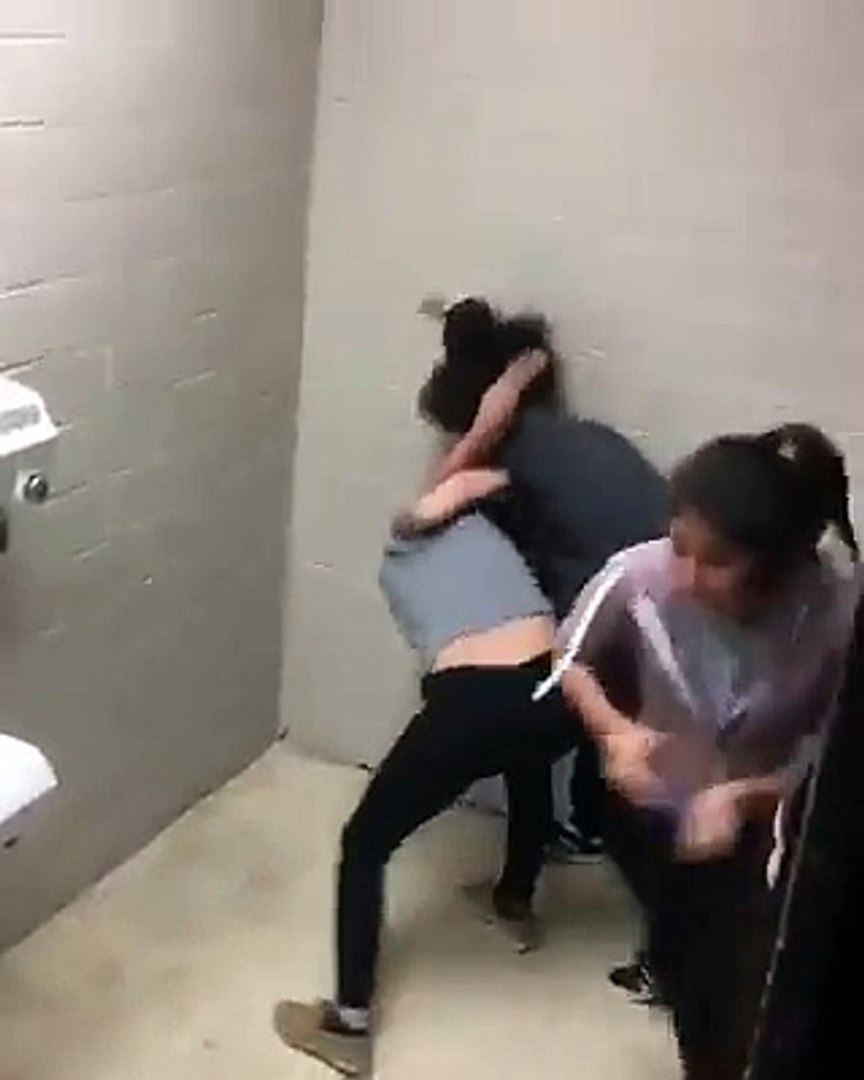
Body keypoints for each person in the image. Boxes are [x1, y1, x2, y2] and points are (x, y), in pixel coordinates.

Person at [273, 342, 587, 1077]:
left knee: (364, 843)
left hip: (481, 696)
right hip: (558, 691)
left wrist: (510, 385)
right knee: (527, 760)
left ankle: (348, 1024)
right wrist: (519, 389)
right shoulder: (505, 548)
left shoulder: (419, 525)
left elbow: (476, 446)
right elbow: (488, 462)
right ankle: (513, 903)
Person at [535, 422, 860, 1079]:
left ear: (777, 566)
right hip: (649, 808)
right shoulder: (639, 574)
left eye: (714, 561)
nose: (683, 575)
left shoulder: (835, 614)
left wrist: (747, 797)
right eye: (680, 544)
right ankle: (665, 966)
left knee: (727, 999)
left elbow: (838, 754)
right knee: (677, 936)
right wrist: (616, 734)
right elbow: (567, 658)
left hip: (760, 829)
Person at [418, 297, 670, 862]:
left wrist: (482, 432)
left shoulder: (509, 468)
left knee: (535, 686)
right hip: (670, 603)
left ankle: (571, 836)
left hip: (623, 616)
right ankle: (588, 825)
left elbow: (423, 518)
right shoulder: (591, 435)